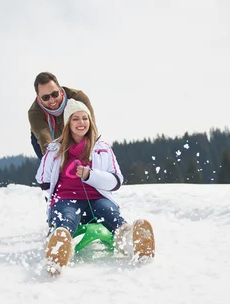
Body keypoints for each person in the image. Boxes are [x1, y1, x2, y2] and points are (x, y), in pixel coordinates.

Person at [35, 98, 155, 275]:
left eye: (85, 118)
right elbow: (43, 180)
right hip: (67, 199)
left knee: (110, 213)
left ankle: (131, 240)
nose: (81, 123)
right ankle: (58, 246)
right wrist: (52, 205)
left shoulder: (103, 148)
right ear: (68, 123)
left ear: (90, 121)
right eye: (75, 119)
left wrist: (90, 175)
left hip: (97, 198)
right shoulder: (54, 149)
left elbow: (116, 181)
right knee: (66, 217)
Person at [29, 72, 95, 159]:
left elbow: (91, 128)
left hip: (76, 134)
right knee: (52, 161)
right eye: (46, 98)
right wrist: (54, 162)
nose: (52, 100)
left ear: (60, 90)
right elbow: (45, 139)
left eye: (54, 94)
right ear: (38, 97)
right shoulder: (35, 113)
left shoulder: (78, 98)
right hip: (52, 139)